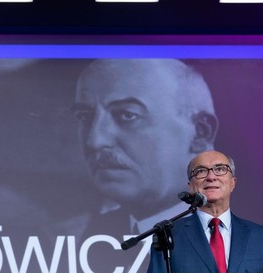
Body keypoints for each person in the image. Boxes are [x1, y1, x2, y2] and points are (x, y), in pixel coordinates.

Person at [70, 58, 219, 237]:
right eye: (85, 116)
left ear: (200, 133)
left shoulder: (243, 231)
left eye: (127, 115)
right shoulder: (91, 234)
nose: (95, 141)